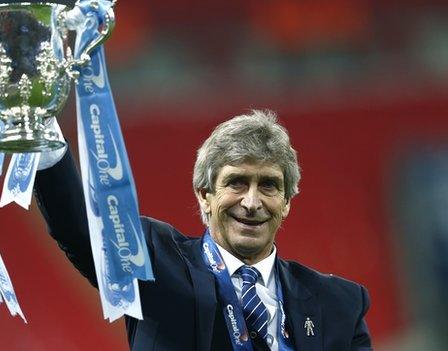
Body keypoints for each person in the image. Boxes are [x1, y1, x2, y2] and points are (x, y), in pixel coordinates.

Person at [34, 110, 372, 351]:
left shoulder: (340, 303)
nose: (252, 202)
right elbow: (78, 228)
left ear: (286, 202)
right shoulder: (155, 260)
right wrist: (37, 117)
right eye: (236, 183)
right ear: (205, 194)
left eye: (268, 185)